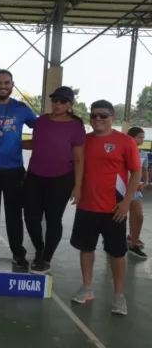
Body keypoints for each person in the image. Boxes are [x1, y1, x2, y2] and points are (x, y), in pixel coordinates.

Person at [70, 100, 140, 316]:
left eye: (103, 116)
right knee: (86, 248)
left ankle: (119, 296)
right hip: (87, 206)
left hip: (114, 209)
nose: (98, 119)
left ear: (113, 118)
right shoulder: (84, 141)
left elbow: (136, 173)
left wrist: (126, 202)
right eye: (94, 116)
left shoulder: (125, 142)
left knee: (117, 254)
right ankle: (87, 288)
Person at [0, 70, 37, 269]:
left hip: (14, 169)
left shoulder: (21, 109)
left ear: (12, 85)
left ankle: (18, 252)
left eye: (6, 83)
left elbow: (41, 128)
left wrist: (30, 144)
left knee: (14, 214)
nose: (2, 86)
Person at [23, 87, 85, 274]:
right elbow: (37, 142)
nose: (58, 104)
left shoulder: (76, 126)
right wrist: (13, 143)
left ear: (70, 105)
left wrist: (78, 186)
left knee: (53, 219)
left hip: (61, 179)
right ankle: (40, 249)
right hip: (34, 176)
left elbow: (79, 158)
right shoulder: (41, 121)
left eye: (63, 101)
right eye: (55, 100)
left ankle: (46, 257)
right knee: (31, 218)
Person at [126, 126, 148, 259]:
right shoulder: (121, 152)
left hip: (134, 190)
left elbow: (144, 170)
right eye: (139, 137)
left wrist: (145, 182)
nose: (141, 140)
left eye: (143, 138)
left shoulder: (143, 154)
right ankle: (112, 240)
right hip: (119, 189)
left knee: (138, 216)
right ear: (130, 137)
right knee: (117, 218)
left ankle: (133, 243)